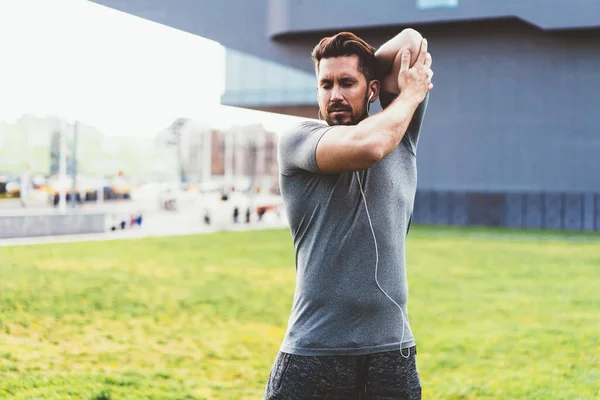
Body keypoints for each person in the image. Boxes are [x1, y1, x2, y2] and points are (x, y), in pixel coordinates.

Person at [264, 29, 433, 400]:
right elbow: (369, 146)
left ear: (371, 89)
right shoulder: (299, 140)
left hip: (392, 353)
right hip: (314, 354)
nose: (335, 95)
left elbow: (410, 39)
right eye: (325, 84)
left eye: (347, 82)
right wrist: (412, 94)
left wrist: (391, 88)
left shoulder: (400, 135)